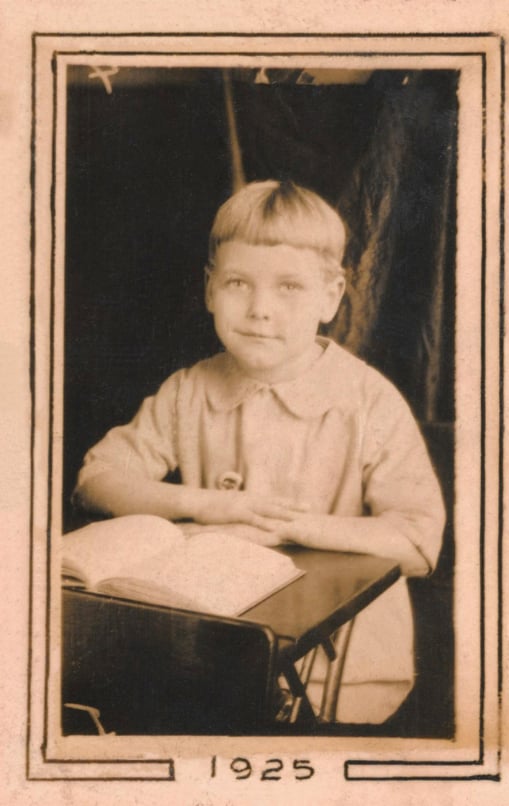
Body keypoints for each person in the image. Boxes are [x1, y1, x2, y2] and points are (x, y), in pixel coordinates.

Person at [74, 179, 445, 725]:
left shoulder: (367, 401)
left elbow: (418, 541)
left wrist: (294, 525)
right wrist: (208, 504)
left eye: (289, 287)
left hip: (337, 668)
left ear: (331, 296)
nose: (259, 310)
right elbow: (96, 479)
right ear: (208, 289)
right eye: (238, 283)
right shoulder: (189, 389)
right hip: (207, 646)